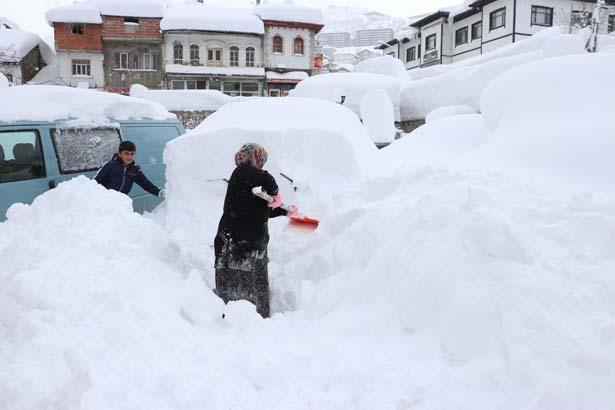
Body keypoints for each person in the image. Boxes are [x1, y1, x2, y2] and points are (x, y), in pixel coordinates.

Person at [214, 143, 297, 318]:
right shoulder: (242, 172)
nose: (261, 166)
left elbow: (262, 208)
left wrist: (285, 210)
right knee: (240, 293)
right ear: (254, 157)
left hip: (254, 245)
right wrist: (275, 193)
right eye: (260, 161)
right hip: (236, 244)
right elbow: (268, 181)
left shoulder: (249, 181)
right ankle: (236, 325)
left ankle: (260, 321)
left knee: (257, 288)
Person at [95, 140, 164, 198]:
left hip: (122, 203)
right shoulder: (110, 166)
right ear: (120, 154)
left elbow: (145, 183)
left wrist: (159, 192)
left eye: (132, 154)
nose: (129, 156)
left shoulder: (134, 169)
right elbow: (95, 183)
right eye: (126, 153)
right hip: (106, 202)